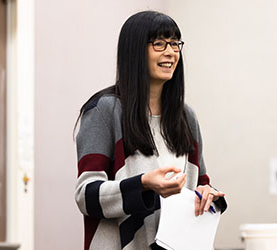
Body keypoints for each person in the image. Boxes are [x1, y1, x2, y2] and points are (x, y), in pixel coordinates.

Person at [74, 10, 227, 250]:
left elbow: (201, 183)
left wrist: (207, 194)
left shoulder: (186, 117)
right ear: (135, 51)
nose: (170, 52)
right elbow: (86, 196)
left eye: (175, 43)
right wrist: (144, 184)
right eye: (159, 43)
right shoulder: (104, 111)